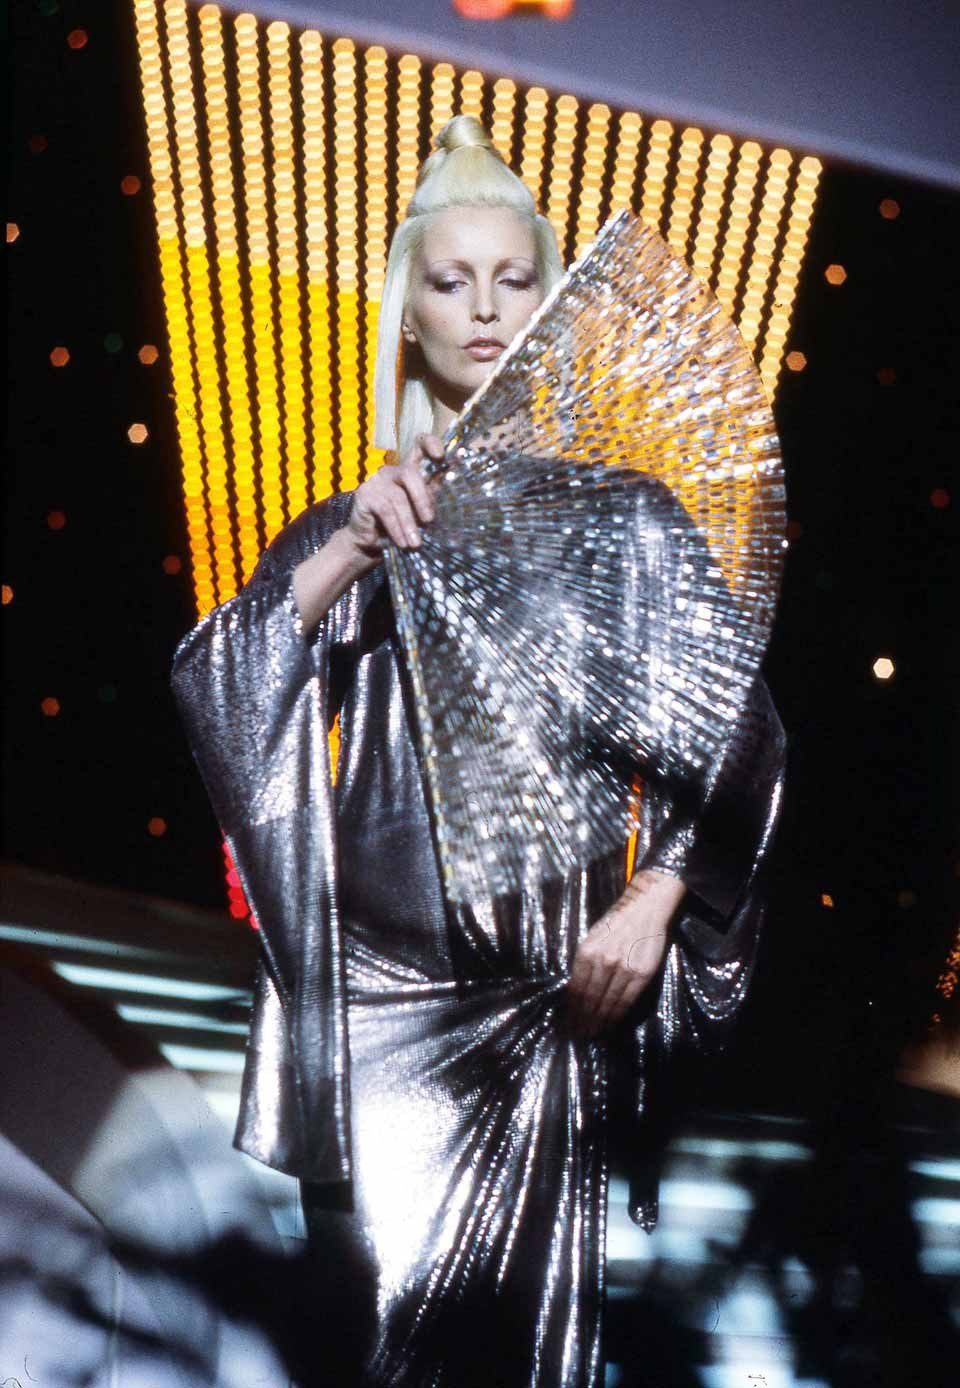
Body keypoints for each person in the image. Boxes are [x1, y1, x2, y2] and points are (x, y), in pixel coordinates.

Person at [171, 116, 786, 1388]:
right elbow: (219, 681)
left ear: (551, 299)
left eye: (515, 278)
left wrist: (657, 898)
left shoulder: (626, 522)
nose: (488, 308)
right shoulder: (349, 524)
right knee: (369, 1355)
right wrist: (350, 547)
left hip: (547, 1003)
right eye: (453, 282)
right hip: (377, 1008)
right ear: (410, 314)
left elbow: (746, 734)